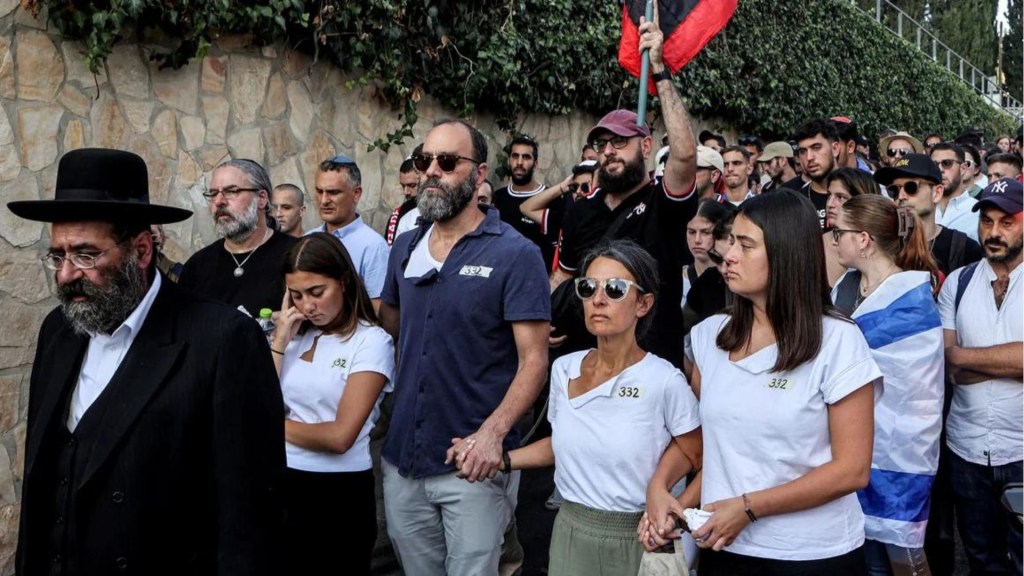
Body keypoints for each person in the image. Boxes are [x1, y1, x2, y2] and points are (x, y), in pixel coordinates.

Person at [9, 148, 285, 575]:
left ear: (141, 250)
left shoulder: (222, 340)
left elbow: (249, 519)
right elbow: (42, 483)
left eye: (86, 255)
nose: (65, 274)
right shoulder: (58, 331)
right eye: (58, 256)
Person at [641, 191, 881, 575]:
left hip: (811, 555)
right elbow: (700, 440)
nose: (728, 255)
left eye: (746, 245)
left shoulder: (837, 341)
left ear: (787, 254)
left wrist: (750, 507)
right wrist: (662, 488)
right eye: (731, 241)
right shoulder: (710, 337)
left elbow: (852, 468)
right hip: (724, 546)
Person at [378, 118, 550, 576]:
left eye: (448, 161)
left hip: (472, 465)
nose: (431, 170)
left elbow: (535, 360)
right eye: (424, 160)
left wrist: (492, 435)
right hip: (403, 461)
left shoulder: (516, 255)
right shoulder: (404, 248)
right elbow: (392, 328)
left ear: (479, 175)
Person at [487, 240, 701, 576]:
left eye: (615, 289)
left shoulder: (663, 380)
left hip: (640, 534)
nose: (598, 300)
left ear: (643, 303)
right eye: (587, 287)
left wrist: (671, 509)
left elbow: (699, 455)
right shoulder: (565, 369)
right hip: (571, 529)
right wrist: (503, 460)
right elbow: (565, 444)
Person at [553, 7, 700, 369]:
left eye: (619, 142)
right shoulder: (582, 208)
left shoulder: (663, 203)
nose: (609, 152)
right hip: (585, 361)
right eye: (602, 145)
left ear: (646, 147)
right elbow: (563, 275)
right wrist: (545, 318)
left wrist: (661, 71)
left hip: (651, 365)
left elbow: (684, 155)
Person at [830, 194, 944, 575]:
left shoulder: (913, 299)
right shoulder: (844, 287)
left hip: (902, 449)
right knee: (860, 555)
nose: (834, 239)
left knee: (899, 559)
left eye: (839, 232)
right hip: (849, 443)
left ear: (863, 239)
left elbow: (916, 388)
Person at [270, 232, 394, 576]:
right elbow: (258, 397)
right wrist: (280, 340)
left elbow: (340, 436)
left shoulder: (371, 341)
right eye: (296, 295)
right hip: (281, 482)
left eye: (316, 292)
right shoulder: (293, 335)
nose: (307, 305)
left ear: (343, 281)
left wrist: (269, 425)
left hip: (337, 495)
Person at [939, 178, 1023, 576]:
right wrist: (1010, 363)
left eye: (1007, 222)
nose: (993, 232)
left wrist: (964, 357)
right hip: (966, 450)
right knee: (981, 558)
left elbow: (958, 357)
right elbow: (948, 364)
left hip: (1022, 449)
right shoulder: (958, 282)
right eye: (987, 222)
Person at [179, 158, 296, 317]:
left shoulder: (296, 255)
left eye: (232, 191)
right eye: (213, 194)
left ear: (261, 199)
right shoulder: (197, 267)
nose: (219, 201)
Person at [307, 154, 390, 308]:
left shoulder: (374, 246)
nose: (324, 200)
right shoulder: (308, 239)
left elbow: (378, 309)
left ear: (356, 193)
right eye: (319, 191)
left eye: (333, 192)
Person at [823, 167, 880, 285]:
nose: (830, 204)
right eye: (829, 195)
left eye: (840, 197)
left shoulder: (883, 246)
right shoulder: (817, 245)